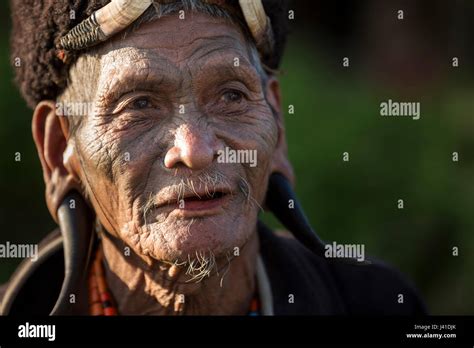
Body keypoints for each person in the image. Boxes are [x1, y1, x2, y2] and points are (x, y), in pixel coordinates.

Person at [1, 0, 426, 316]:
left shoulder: (381, 306)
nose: (197, 150)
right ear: (60, 151)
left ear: (277, 128)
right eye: (139, 105)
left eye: (231, 96)